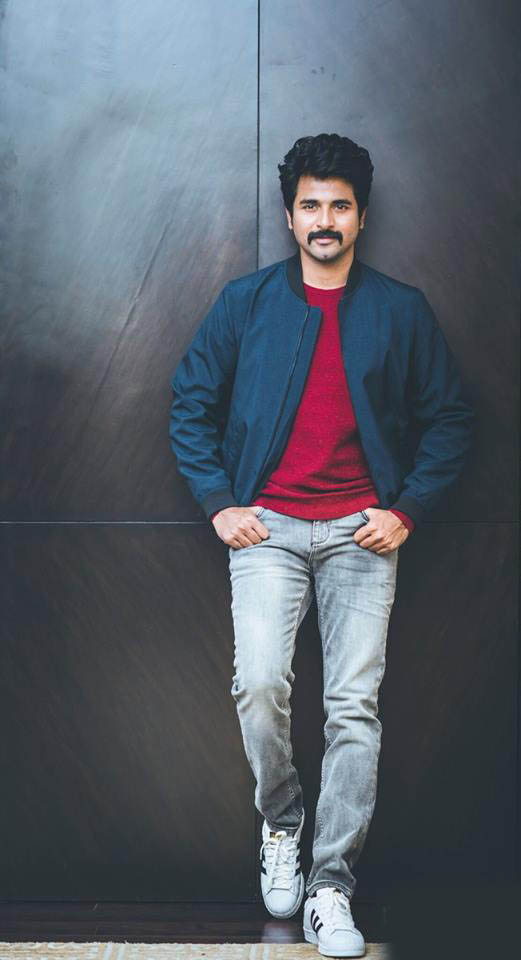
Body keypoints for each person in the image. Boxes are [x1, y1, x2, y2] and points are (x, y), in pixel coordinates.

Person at [168, 133, 475, 957]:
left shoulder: (400, 309)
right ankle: (281, 824)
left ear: (361, 217)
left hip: (360, 536)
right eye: (311, 205)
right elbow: (189, 401)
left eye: (340, 205)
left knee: (352, 709)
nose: (325, 219)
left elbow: (450, 419)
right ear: (290, 215)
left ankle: (331, 885)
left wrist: (406, 511)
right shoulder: (246, 303)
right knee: (259, 684)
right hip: (266, 527)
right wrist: (218, 504)